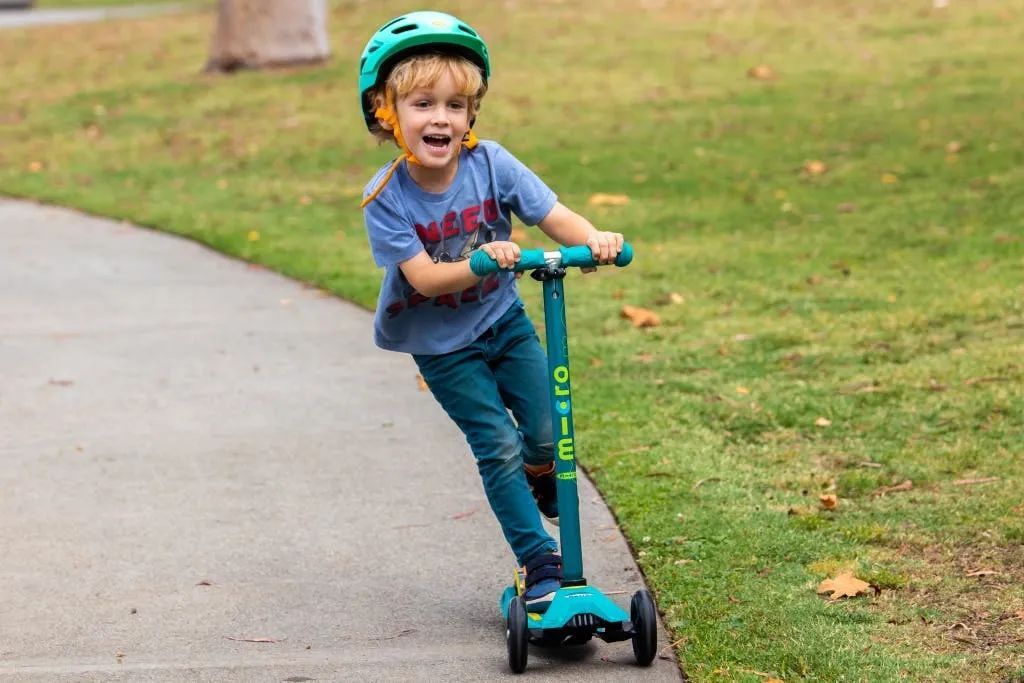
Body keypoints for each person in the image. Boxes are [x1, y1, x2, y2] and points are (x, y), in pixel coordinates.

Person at [358, 10, 624, 611]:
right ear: (386, 113)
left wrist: (594, 239)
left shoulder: (492, 162)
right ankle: (541, 564)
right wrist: (480, 262)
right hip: (442, 345)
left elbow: (552, 216)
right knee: (497, 444)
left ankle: (540, 474)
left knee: (548, 434)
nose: (441, 117)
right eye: (423, 103)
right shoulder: (385, 197)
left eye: (455, 105)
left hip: (502, 322)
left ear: (471, 114)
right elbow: (423, 279)